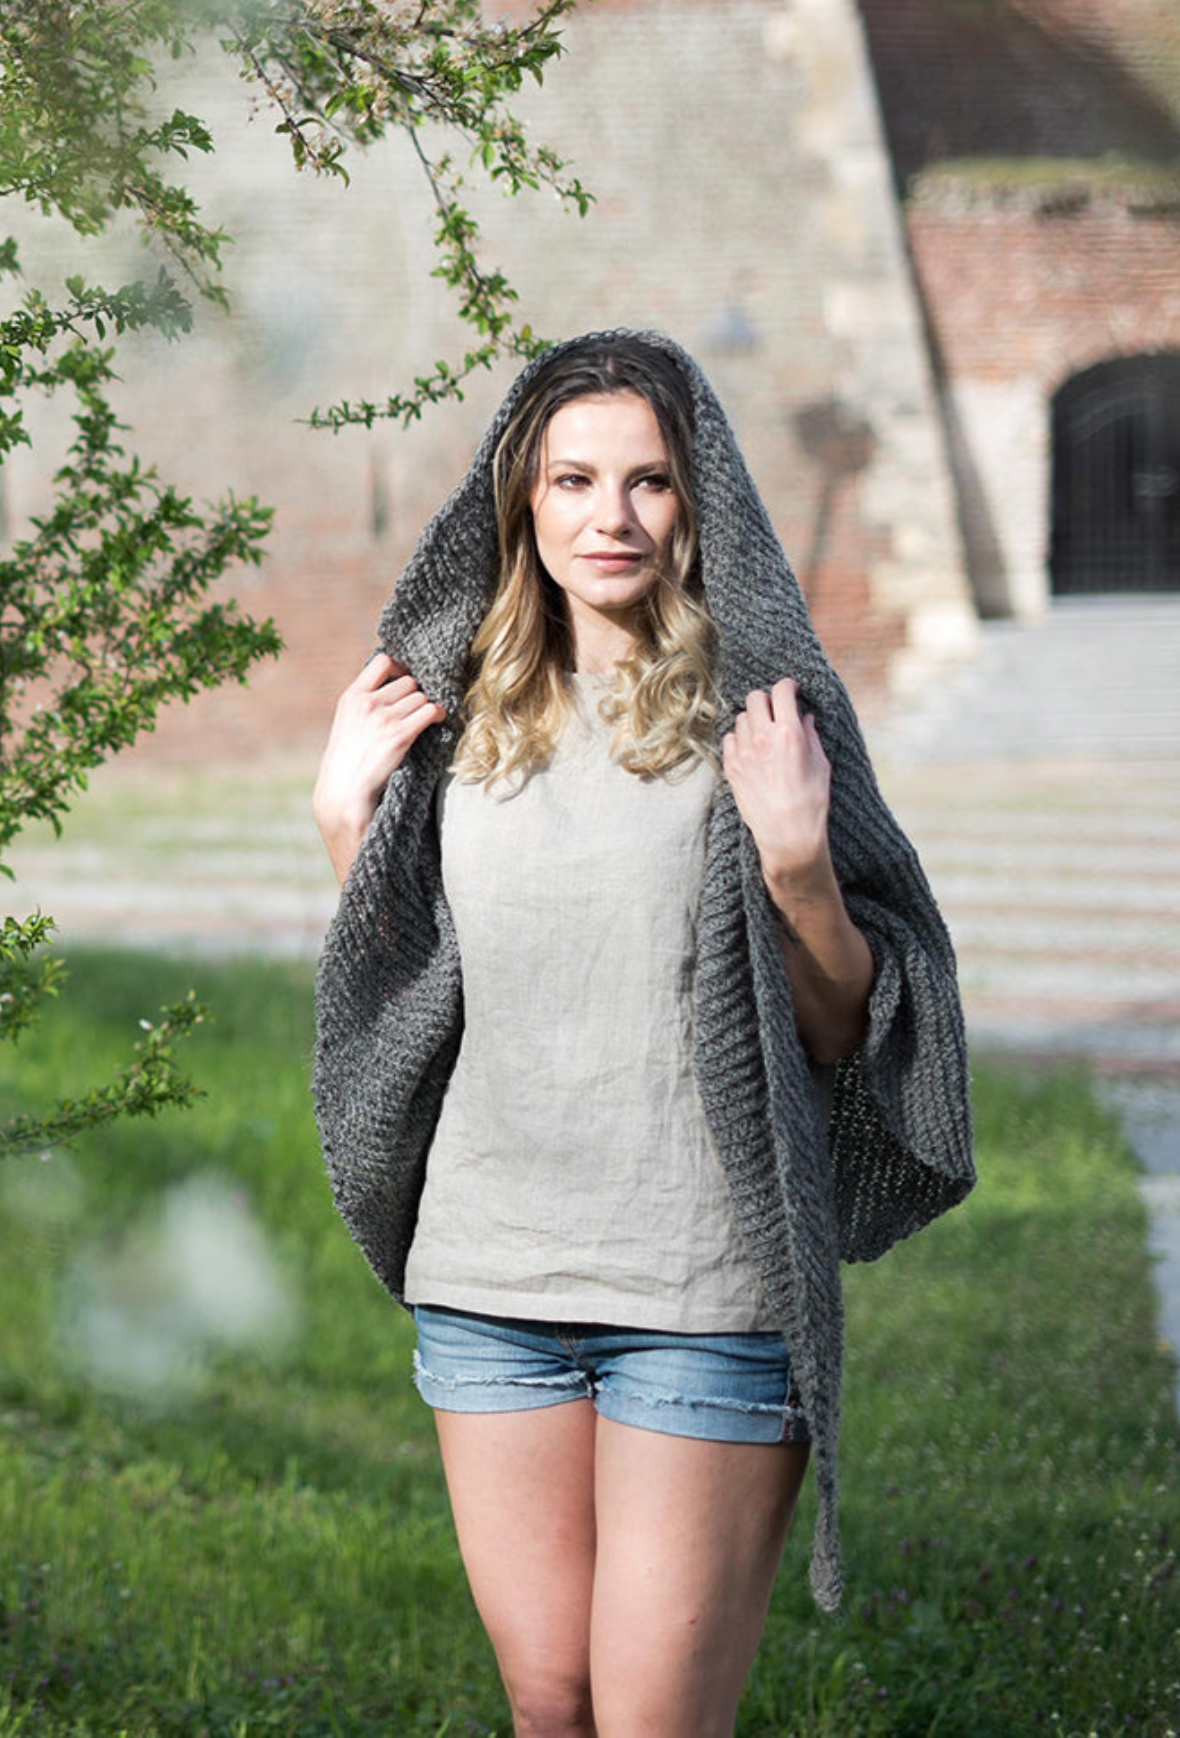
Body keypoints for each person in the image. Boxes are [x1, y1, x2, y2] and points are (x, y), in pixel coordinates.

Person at [311, 330, 973, 1738]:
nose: (609, 516)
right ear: (524, 505)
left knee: (653, 1723)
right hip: (490, 1285)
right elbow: (424, 991)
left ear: (698, 503)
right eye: (573, 480)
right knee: (551, 1708)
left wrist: (800, 873)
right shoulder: (456, 721)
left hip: (705, 1292)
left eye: (649, 482)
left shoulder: (769, 714)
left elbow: (852, 1027)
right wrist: (343, 833)